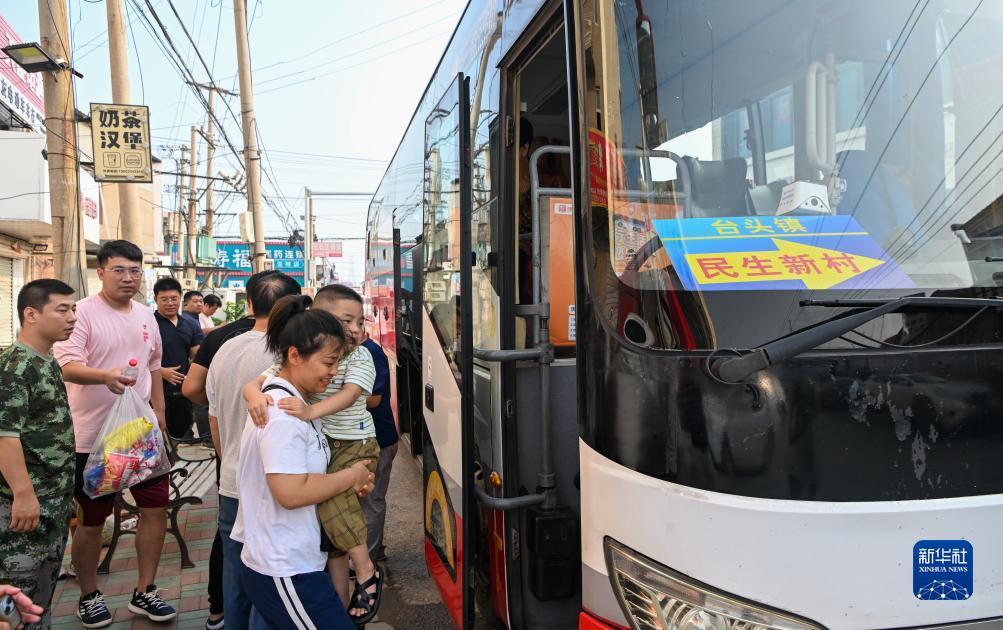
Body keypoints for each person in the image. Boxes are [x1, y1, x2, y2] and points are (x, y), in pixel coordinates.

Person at [54, 240, 177, 627]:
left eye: (135, 271)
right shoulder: (82, 314)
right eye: (119, 270)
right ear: (101, 272)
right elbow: (68, 366)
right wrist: (105, 376)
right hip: (92, 438)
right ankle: (89, 595)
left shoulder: (145, 314)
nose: (128, 278)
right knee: (92, 521)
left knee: (155, 510)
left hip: (139, 435)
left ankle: (145, 590)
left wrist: (159, 415)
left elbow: (154, 367)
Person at [232, 295, 374, 630]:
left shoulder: (292, 402)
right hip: (286, 568)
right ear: (295, 355)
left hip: (286, 561)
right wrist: (350, 476)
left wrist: (352, 482)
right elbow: (292, 492)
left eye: (338, 362)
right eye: (328, 363)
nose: (334, 372)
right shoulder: (283, 414)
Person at [205, 272, 301, 630]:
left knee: (236, 580)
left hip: (231, 482)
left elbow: (213, 418)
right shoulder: (289, 353)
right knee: (270, 584)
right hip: (273, 489)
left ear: (249, 304)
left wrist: (230, 461)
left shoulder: (225, 347)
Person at [182, 278, 264, 630]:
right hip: (268, 481)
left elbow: (194, 392)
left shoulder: (220, 341)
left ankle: (219, 616)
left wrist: (225, 445)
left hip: (229, 468)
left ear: (248, 300)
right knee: (266, 569)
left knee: (231, 552)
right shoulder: (292, 345)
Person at [0, 280, 77, 629]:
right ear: (31, 314)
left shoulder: (46, 360)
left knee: (40, 602)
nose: (72, 317)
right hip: (24, 509)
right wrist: (23, 494)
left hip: (52, 502)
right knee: (16, 601)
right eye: (62, 309)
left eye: (73, 309)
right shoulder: (14, 367)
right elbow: (5, 436)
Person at [360, 329, 397, 563]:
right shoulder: (357, 351)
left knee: (371, 501)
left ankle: (369, 559)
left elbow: (374, 399)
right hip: (371, 438)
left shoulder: (370, 352)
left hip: (379, 439)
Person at [153, 278, 201, 440]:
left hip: (183, 391)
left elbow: (196, 355)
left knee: (179, 433)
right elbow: (135, 358)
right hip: (156, 391)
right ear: (155, 299)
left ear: (180, 299)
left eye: (174, 299)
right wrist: (160, 371)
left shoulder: (189, 324)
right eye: (164, 299)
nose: (170, 303)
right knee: (158, 436)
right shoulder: (149, 323)